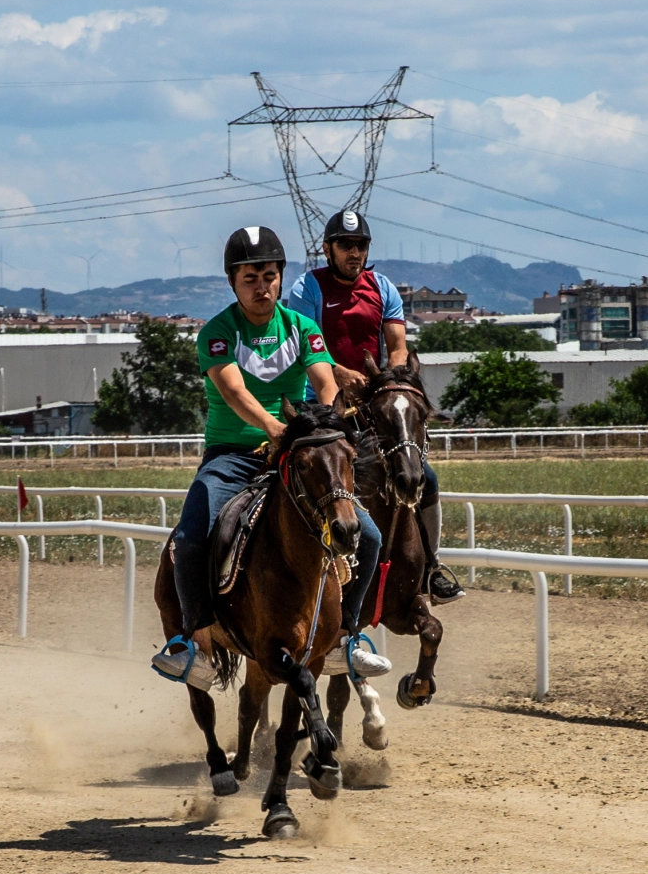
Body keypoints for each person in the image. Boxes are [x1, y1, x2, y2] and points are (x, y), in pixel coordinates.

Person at [153, 225, 387, 689]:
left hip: (296, 453)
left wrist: (325, 420)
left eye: (268, 276)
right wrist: (274, 428)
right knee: (193, 535)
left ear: (281, 277)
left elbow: (323, 380)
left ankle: (346, 636)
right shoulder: (218, 334)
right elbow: (235, 391)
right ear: (233, 283)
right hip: (232, 455)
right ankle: (191, 642)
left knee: (371, 536)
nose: (261, 286)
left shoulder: (303, 328)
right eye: (250, 278)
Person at [284, 209, 464, 604]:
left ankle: (430, 568)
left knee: (425, 477)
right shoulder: (307, 288)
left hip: (371, 411)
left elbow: (397, 345)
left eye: (361, 245)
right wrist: (337, 373)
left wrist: (392, 382)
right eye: (346, 245)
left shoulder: (382, 288)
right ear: (328, 249)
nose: (354, 252)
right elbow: (302, 346)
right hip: (323, 410)